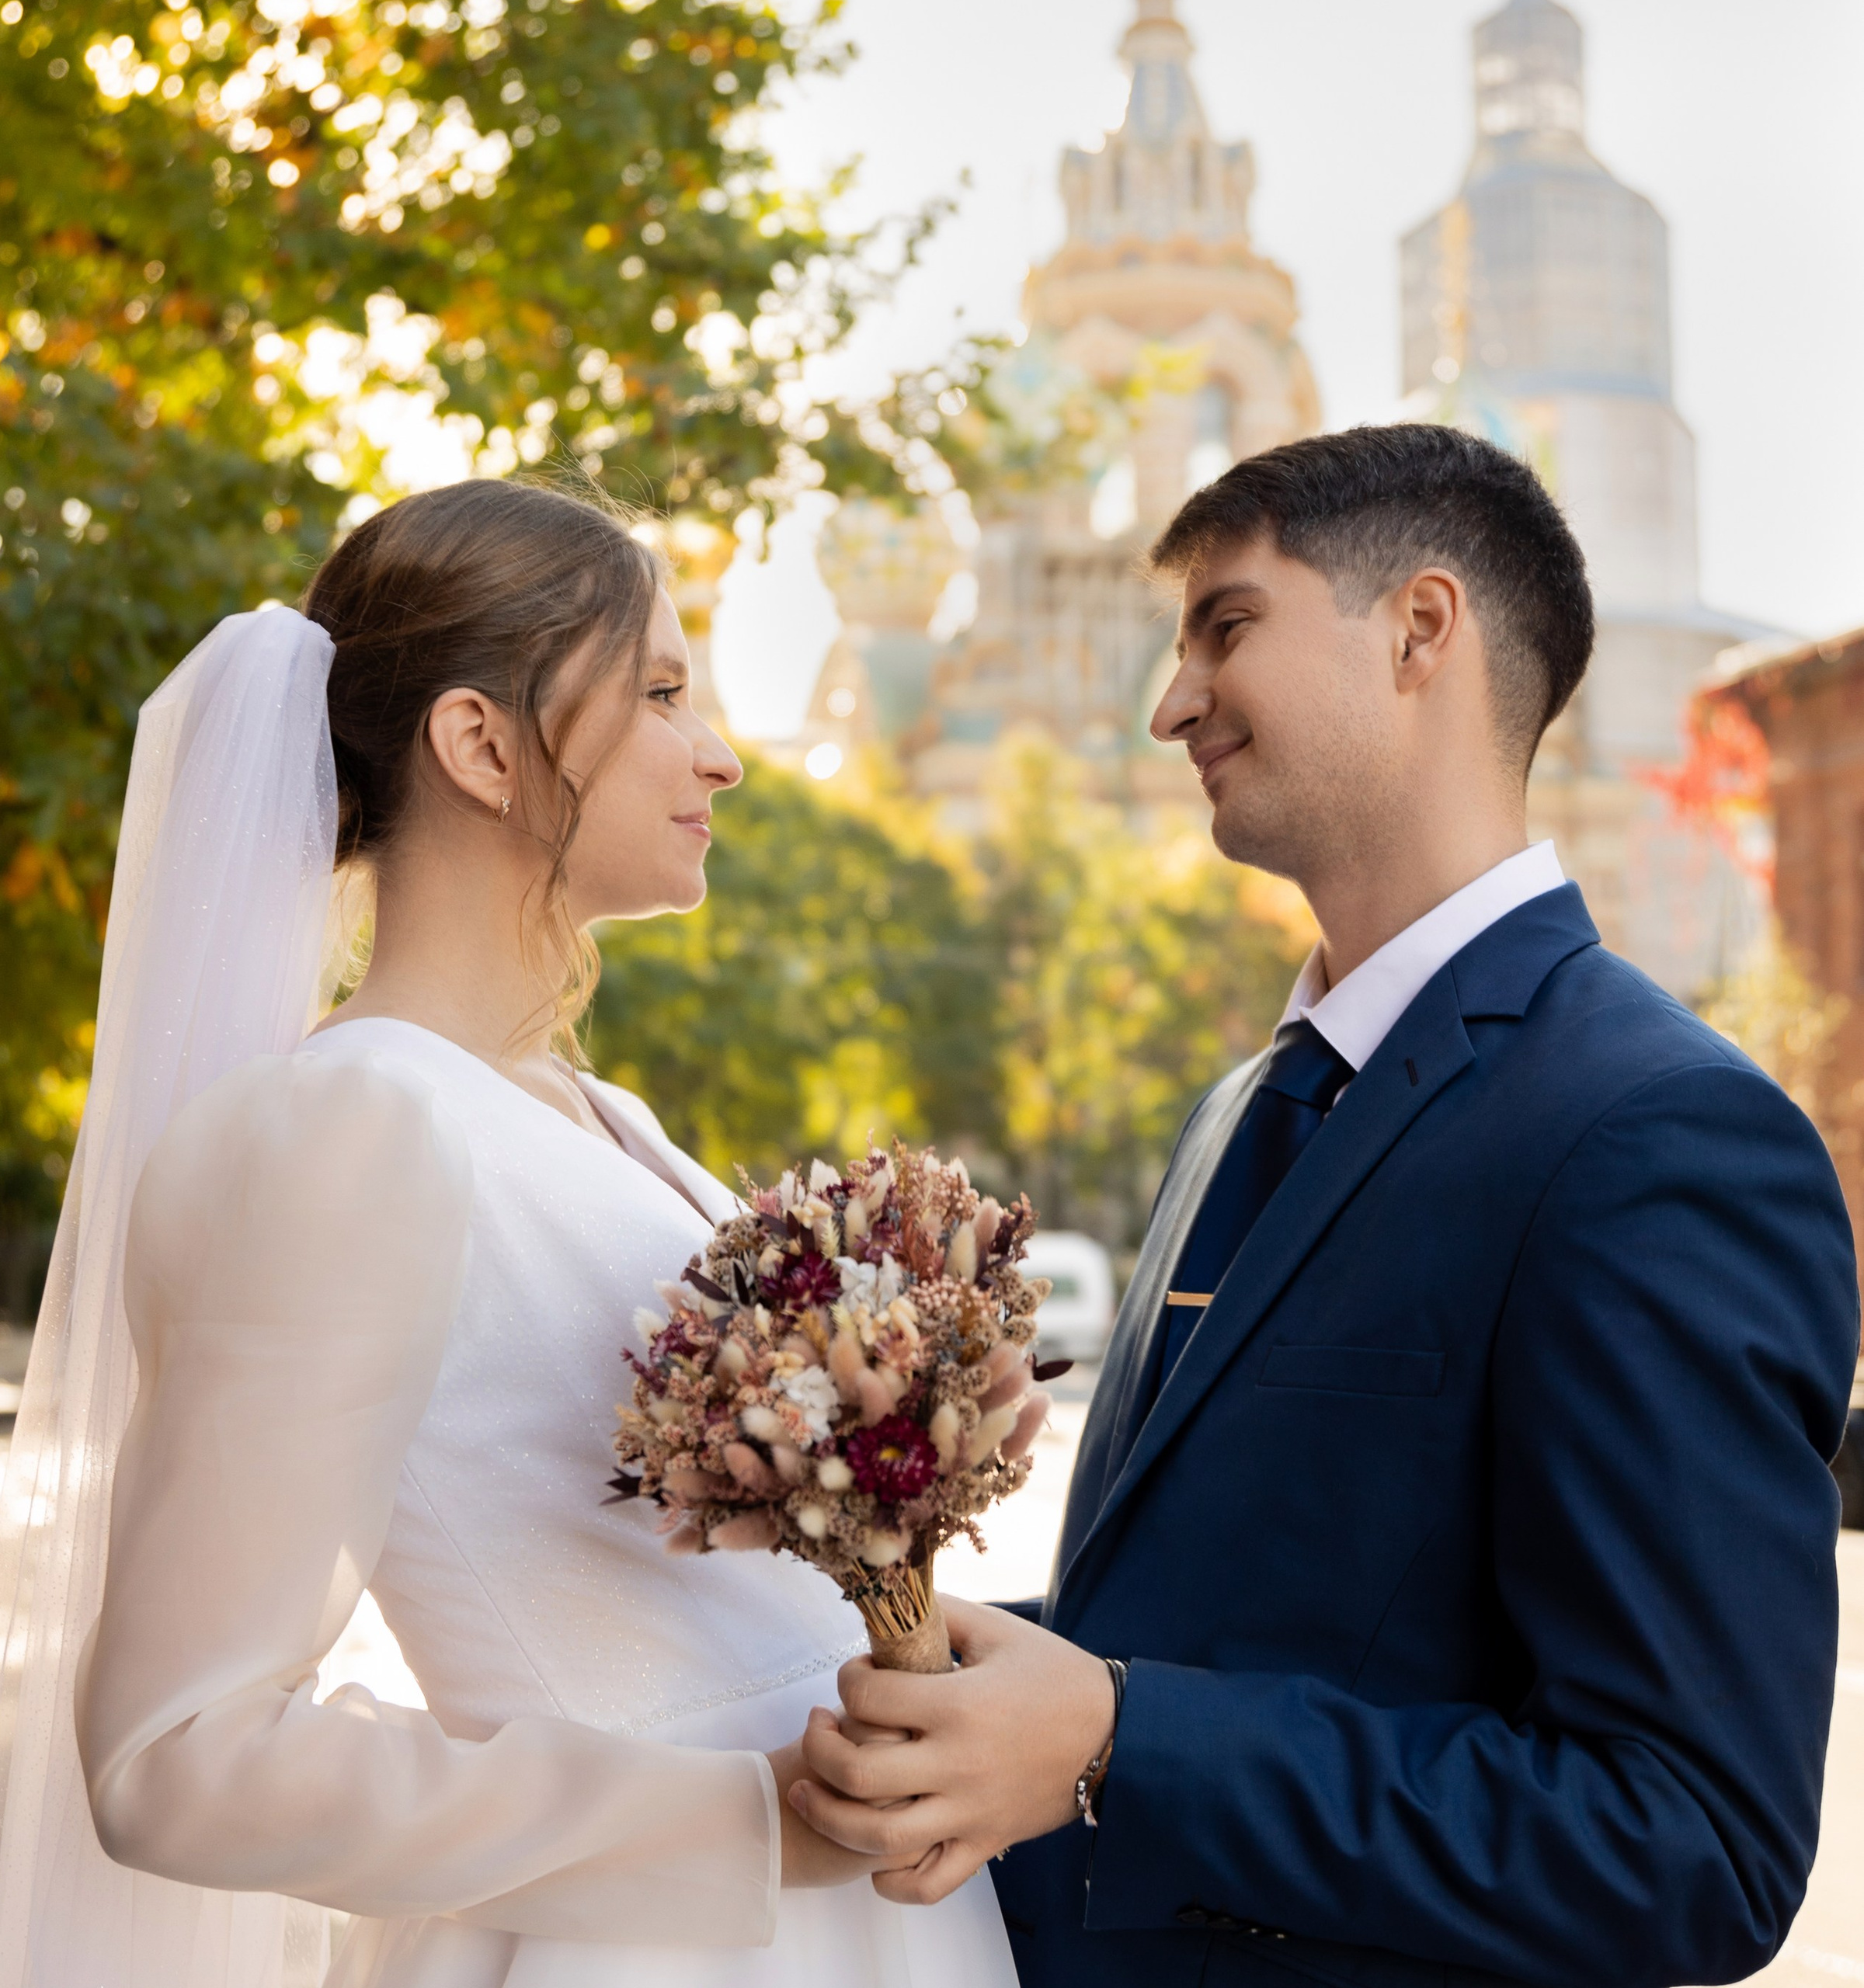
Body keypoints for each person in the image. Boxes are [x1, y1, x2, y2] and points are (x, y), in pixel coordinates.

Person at [785, 425, 1860, 1988]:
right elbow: (1220, 1612)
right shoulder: (1241, 1104)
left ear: (1419, 628)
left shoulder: (1657, 1131)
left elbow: (1686, 1837)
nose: (1167, 707)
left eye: (1225, 626)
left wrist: (1116, 1742)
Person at [0, 481, 1015, 1988]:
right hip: (638, 1943)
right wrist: (743, 1818)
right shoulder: (341, 1129)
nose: (723, 754)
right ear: (484, 743)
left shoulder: (593, 1110)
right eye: (666, 692)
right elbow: (180, 1751)